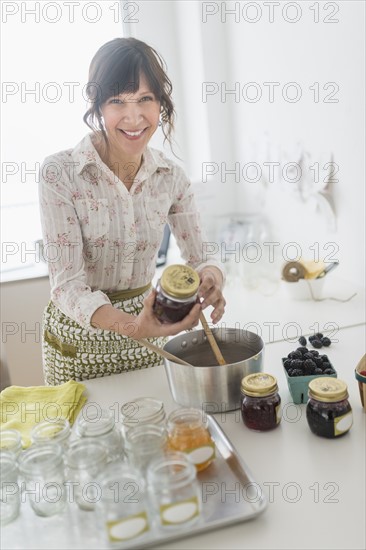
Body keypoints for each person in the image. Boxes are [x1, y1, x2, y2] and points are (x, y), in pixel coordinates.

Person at [39, 37, 226, 385]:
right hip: (79, 344)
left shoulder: (172, 178)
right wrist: (132, 326)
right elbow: (66, 285)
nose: (134, 116)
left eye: (145, 99)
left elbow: (201, 256)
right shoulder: (59, 173)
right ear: (97, 107)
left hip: (149, 336)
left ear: (161, 105)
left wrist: (212, 277)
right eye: (117, 102)